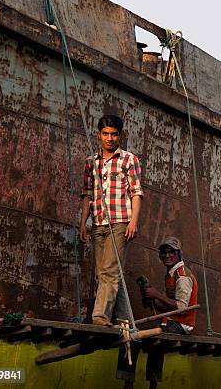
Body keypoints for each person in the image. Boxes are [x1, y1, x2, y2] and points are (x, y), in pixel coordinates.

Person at [79, 115, 143, 326]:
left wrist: (133, 221)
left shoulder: (129, 159)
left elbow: (136, 192)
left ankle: (100, 316)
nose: (109, 138)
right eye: (105, 134)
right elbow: (87, 194)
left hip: (120, 221)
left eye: (114, 134)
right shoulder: (91, 162)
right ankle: (125, 318)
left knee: (109, 270)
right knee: (104, 272)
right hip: (98, 223)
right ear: (99, 135)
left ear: (120, 135)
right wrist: (83, 223)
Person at [117, 236, 198, 389]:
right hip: (171, 321)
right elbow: (167, 307)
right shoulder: (171, 273)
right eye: (163, 253)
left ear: (179, 254)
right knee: (154, 341)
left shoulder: (182, 275)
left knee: (133, 336)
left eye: (171, 252)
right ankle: (152, 383)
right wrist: (151, 299)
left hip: (182, 325)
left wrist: (156, 294)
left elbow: (181, 307)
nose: (167, 256)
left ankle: (128, 383)